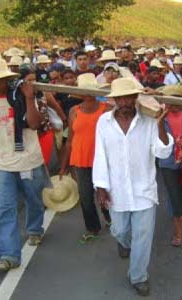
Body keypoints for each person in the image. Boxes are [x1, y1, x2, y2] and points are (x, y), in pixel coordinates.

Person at [93, 78, 173, 296]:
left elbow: (163, 151)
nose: (126, 101)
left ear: (136, 98)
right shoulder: (103, 122)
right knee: (119, 230)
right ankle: (124, 242)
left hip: (144, 190)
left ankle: (138, 276)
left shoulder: (148, 122)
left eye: (130, 97)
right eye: (121, 98)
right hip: (116, 189)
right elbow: (99, 154)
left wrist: (160, 124)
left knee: (143, 236)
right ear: (115, 100)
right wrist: (100, 186)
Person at [0, 57, 47, 271]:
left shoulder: (19, 95)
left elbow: (34, 124)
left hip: (29, 160)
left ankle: (35, 229)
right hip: (2, 163)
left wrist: (28, 98)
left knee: (34, 200)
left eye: (2, 79)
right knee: (6, 208)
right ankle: (8, 255)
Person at [60, 73, 112, 243]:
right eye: (85, 91)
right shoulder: (74, 111)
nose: (88, 94)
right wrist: (64, 165)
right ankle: (92, 227)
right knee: (85, 196)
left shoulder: (107, 109)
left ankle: (110, 218)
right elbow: (70, 140)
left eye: (91, 90)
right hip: (80, 159)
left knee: (105, 192)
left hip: (102, 160)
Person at [158, 85, 182, 247]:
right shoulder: (160, 118)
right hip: (168, 162)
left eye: (177, 99)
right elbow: (161, 142)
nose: (174, 103)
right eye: (170, 99)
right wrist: (159, 121)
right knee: (173, 195)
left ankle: (180, 211)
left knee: (181, 195)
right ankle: (178, 230)